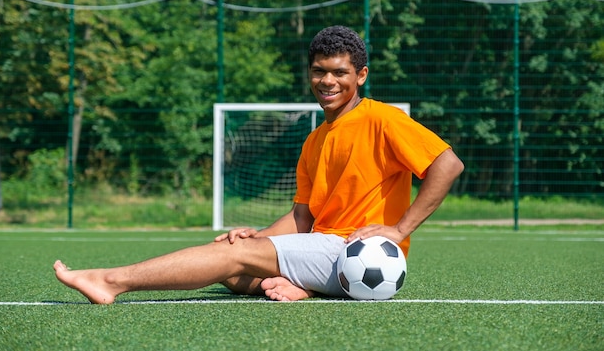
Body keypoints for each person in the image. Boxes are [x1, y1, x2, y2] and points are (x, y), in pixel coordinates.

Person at [53, 25, 464, 303]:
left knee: (234, 260)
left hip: (356, 251)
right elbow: (303, 216)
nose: (327, 81)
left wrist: (399, 229)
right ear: (309, 73)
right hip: (323, 247)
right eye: (319, 71)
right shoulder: (316, 139)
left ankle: (109, 281)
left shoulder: (383, 118)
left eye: (339, 72)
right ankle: (305, 285)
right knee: (233, 267)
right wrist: (260, 236)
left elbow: (448, 164)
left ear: (361, 75)